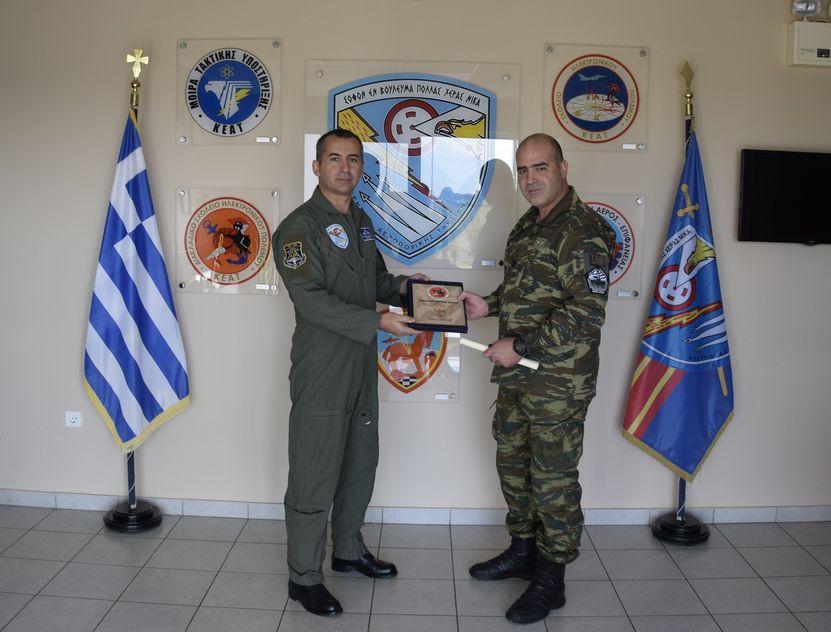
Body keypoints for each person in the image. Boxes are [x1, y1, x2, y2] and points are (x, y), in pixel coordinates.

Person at [460, 133, 615, 624]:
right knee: (514, 467)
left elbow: (586, 310)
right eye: (524, 170)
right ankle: (523, 551)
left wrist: (521, 345)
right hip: (517, 378)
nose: (531, 179)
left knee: (553, 480)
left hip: (558, 384)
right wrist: (487, 305)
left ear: (563, 169)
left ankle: (552, 578)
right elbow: (524, 290)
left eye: (540, 167)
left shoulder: (583, 230)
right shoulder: (529, 224)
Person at [273, 128, 426, 616]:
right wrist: (376, 322)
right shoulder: (298, 228)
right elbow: (310, 300)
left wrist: (409, 289)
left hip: (360, 360)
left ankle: (347, 549)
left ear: (362, 168)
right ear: (317, 167)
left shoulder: (361, 220)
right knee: (315, 470)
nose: (345, 168)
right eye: (335, 158)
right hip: (323, 365)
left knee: (361, 459)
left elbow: (374, 279)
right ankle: (303, 576)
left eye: (354, 159)